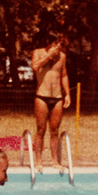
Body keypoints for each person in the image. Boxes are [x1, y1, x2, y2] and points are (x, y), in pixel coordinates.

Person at [31, 34, 71, 172]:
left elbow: (64, 75)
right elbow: (35, 67)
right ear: (49, 44)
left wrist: (68, 95)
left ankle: (55, 161)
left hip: (57, 97)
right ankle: (38, 161)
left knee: (55, 131)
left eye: (59, 46)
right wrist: (48, 57)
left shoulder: (62, 57)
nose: (57, 49)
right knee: (41, 130)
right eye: (55, 45)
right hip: (42, 96)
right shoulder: (38, 53)